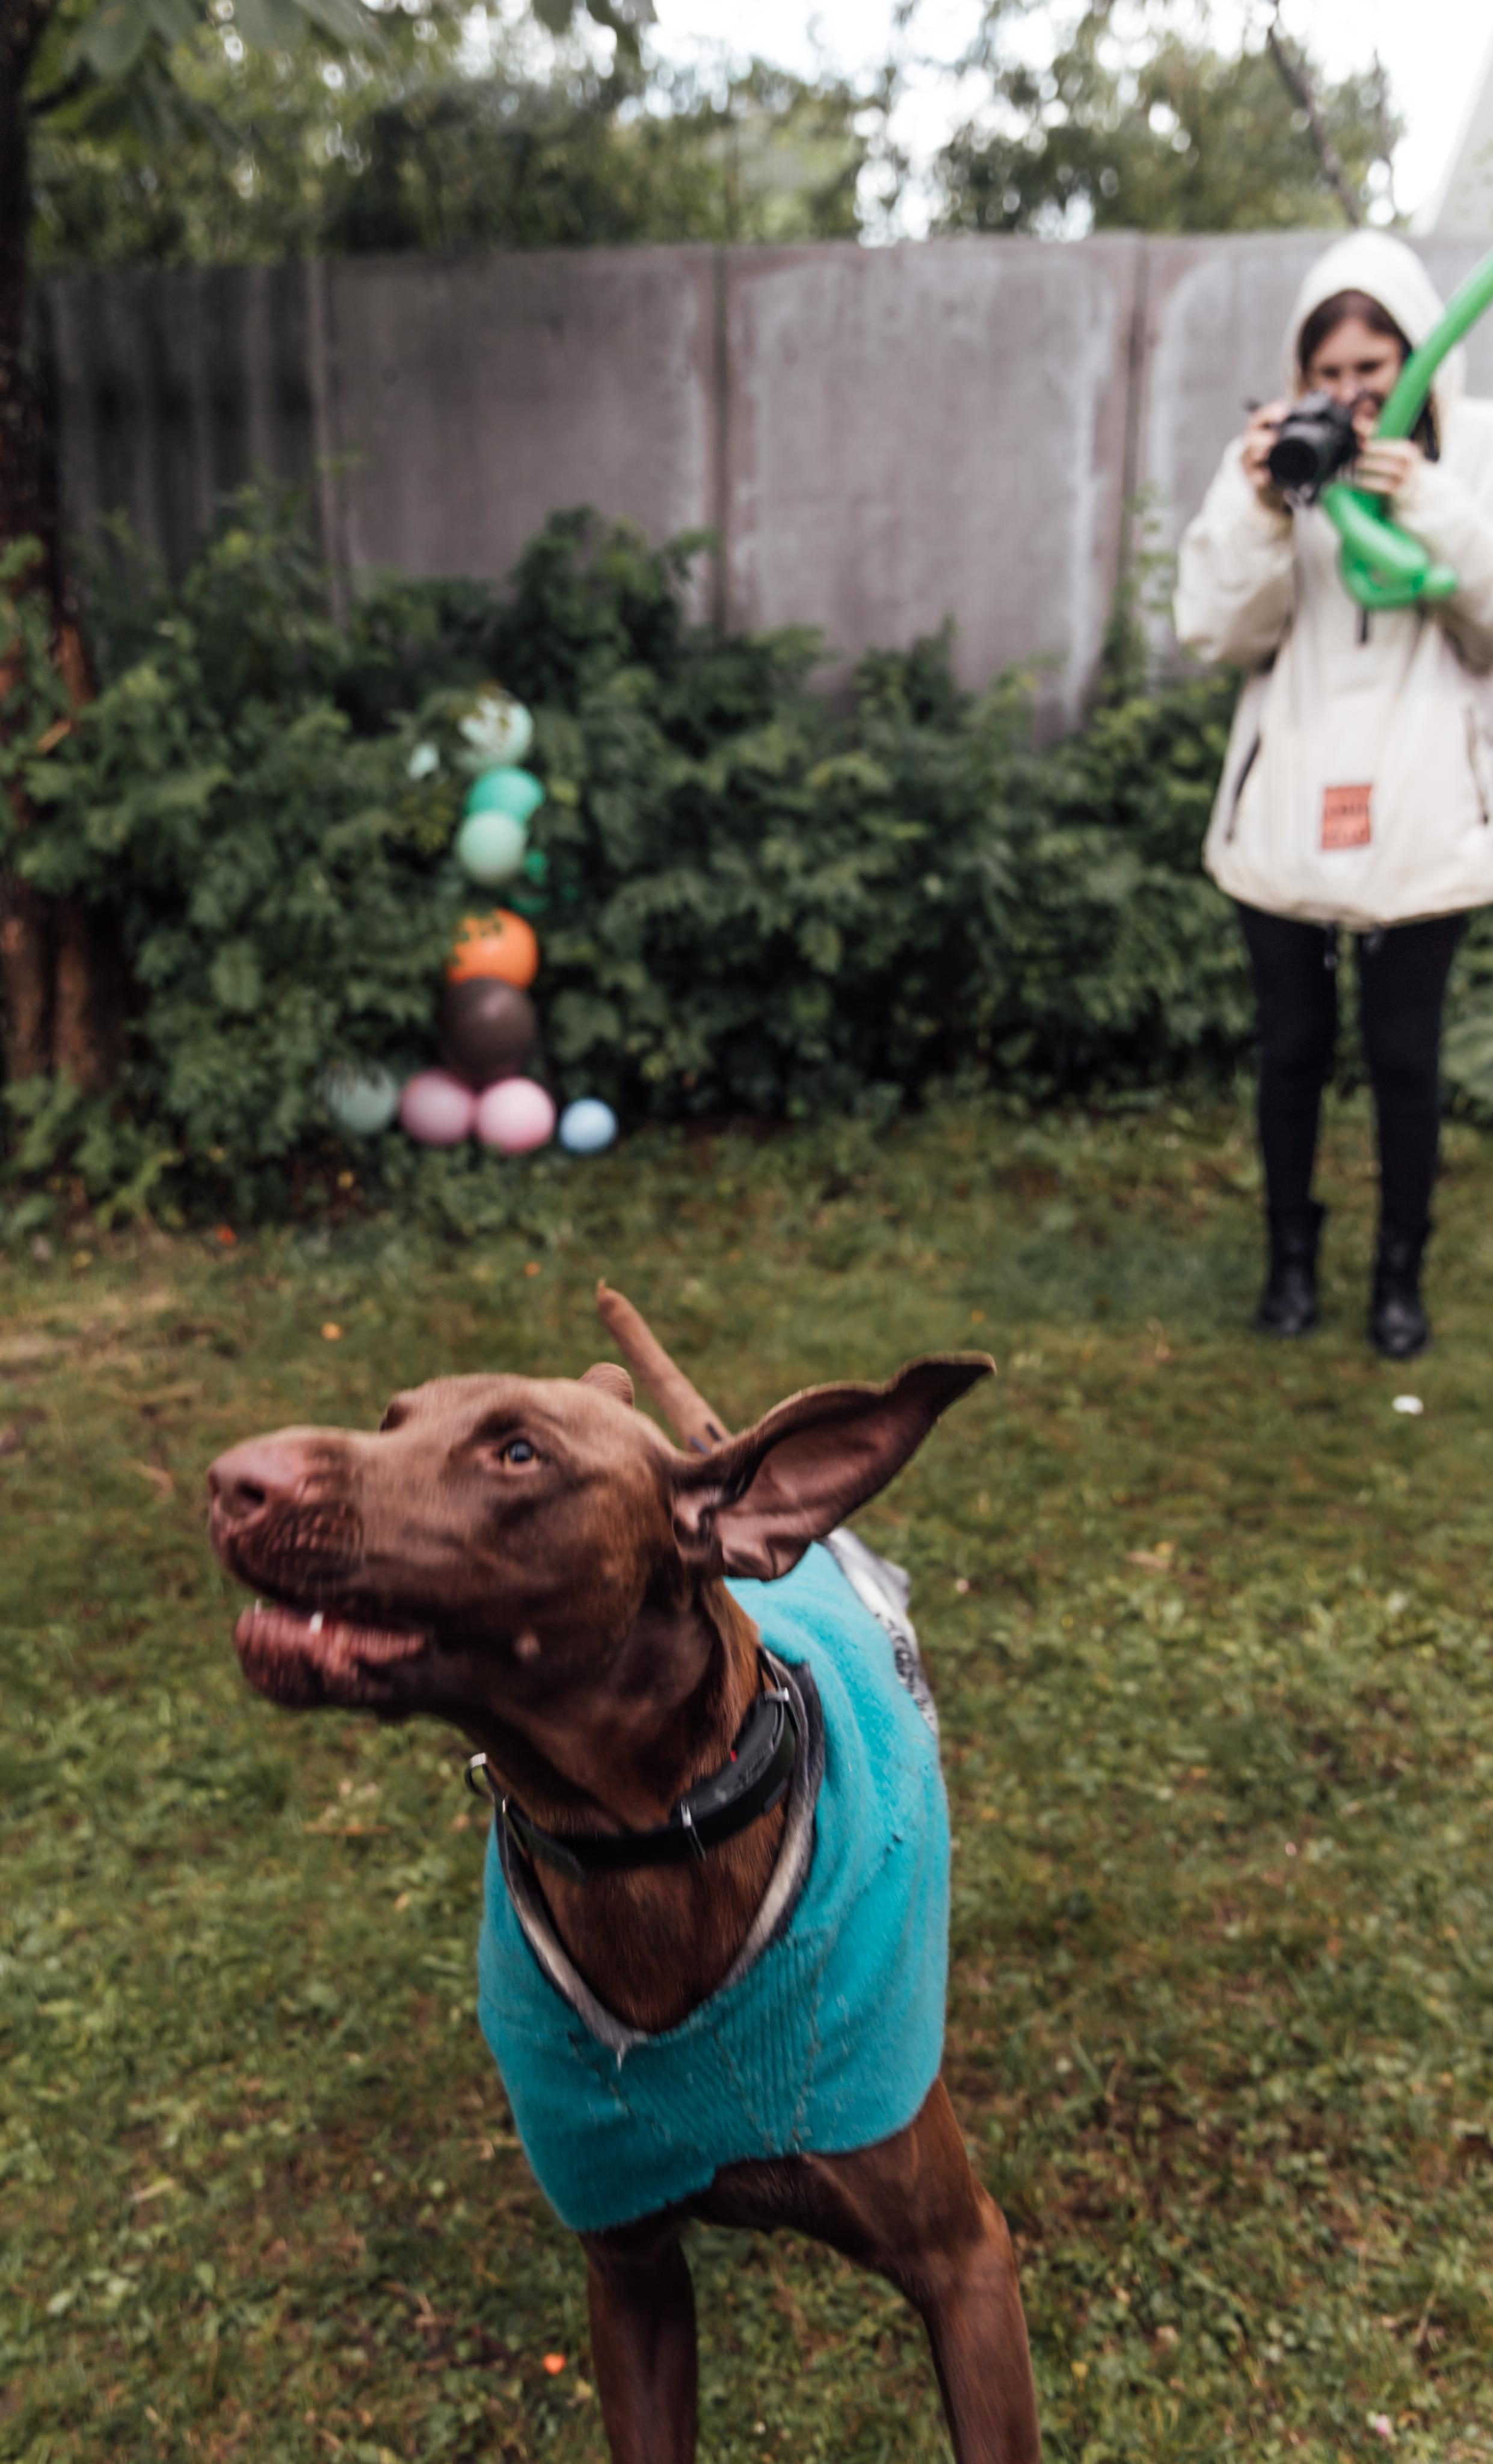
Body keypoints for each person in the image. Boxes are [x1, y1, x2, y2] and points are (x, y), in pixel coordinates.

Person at [1175, 232, 1493, 1359]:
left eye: (1374, 368)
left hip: (1421, 820)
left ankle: (1397, 1277)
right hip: (1286, 812)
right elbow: (1214, 627)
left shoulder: (1474, 454)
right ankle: (1289, 1265)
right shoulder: (1272, 462)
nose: (1355, 396)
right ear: (1301, 374)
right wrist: (1263, 507)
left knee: (1405, 1061)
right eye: (1331, 373)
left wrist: (1435, 506)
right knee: (1291, 1050)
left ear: (1418, 358)